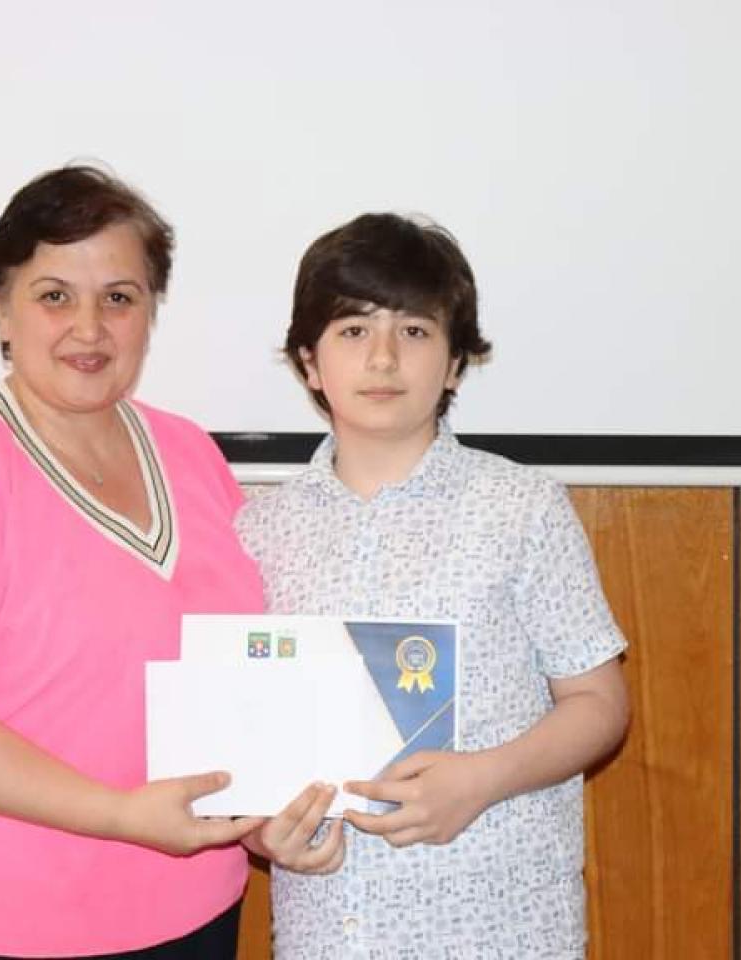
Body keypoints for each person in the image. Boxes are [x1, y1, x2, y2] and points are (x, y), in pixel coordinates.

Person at [0, 166, 264, 959]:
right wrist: (120, 815)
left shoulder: (192, 456)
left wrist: (274, 807)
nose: (89, 327)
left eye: (119, 297)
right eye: (54, 296)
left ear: (151, 311)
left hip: (193, 912)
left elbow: (245, 678)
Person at [236, 213, 630, 958]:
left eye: (414, 331)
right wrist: (264, 832)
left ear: (454, 364)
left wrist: (481, 780)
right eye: (354, 329)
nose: (383, 356)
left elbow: (600, 705)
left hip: (502, 928)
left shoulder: (522, 508)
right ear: (309, 362)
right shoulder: (259, 533)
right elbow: (247, 735)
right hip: (330, 933)